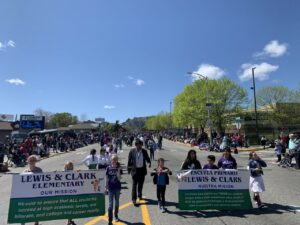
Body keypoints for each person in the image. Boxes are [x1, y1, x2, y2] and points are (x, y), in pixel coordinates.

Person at [127, 139, 151, 205]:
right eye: (138, 145)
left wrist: (149, 163)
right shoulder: (132, 151)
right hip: (134, 170)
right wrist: (128, 169)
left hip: (142, 170)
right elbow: (129, 161)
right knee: (134, 185)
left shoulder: (144, 151)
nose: (140, 146)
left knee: (141, 184)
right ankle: (134, 199)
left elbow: (147, 158)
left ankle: (139, 195)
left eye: (141, 145)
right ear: (136, 145)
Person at [21, 155, 43, 225]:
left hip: (36, 193)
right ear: (28, 162)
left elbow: (43, 181)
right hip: (27, 194)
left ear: (35, 161)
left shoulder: (39, 170)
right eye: (30, 160)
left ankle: (36, 223)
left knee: (36, 209)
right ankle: (22, 223)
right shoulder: (24, 172)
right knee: (24, 210)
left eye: (33, 160)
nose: (32, 162)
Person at [106, 155, 122, 225]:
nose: (114, 161)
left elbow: (119, 178)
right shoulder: (108, 168)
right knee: (110, 205)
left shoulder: (118, 168)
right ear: (111, 160)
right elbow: (106, 178)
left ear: (117, 160)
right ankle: (110, 220)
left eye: (115, 160)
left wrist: (118, 171)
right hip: (110, 188)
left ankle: (116, 215)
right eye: (113, 160)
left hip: (117, 187)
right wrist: (105, 187)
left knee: (117, 202)